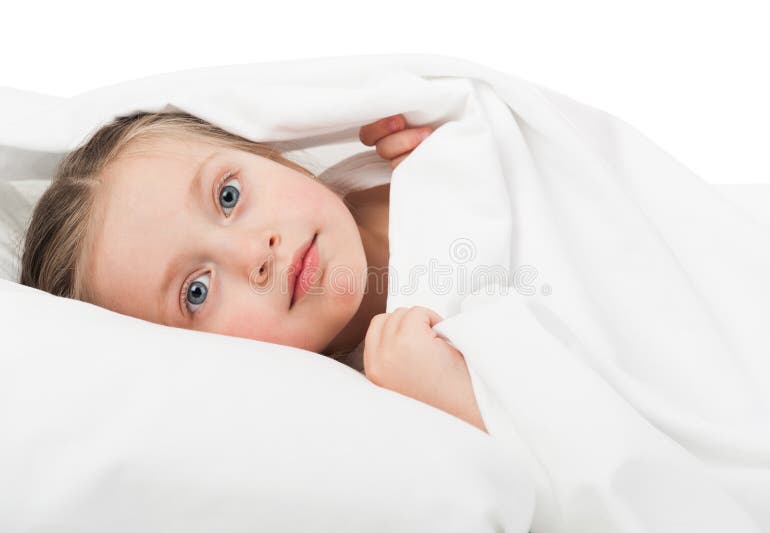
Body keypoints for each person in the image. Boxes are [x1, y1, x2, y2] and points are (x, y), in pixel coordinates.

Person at [19, 110, 486, 433]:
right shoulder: (380, 401)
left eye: (228, 197)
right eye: (196, 292)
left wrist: (463, 149)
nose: (256, 256)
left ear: (266, 154)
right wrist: (460, 405)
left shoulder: (405, 154)